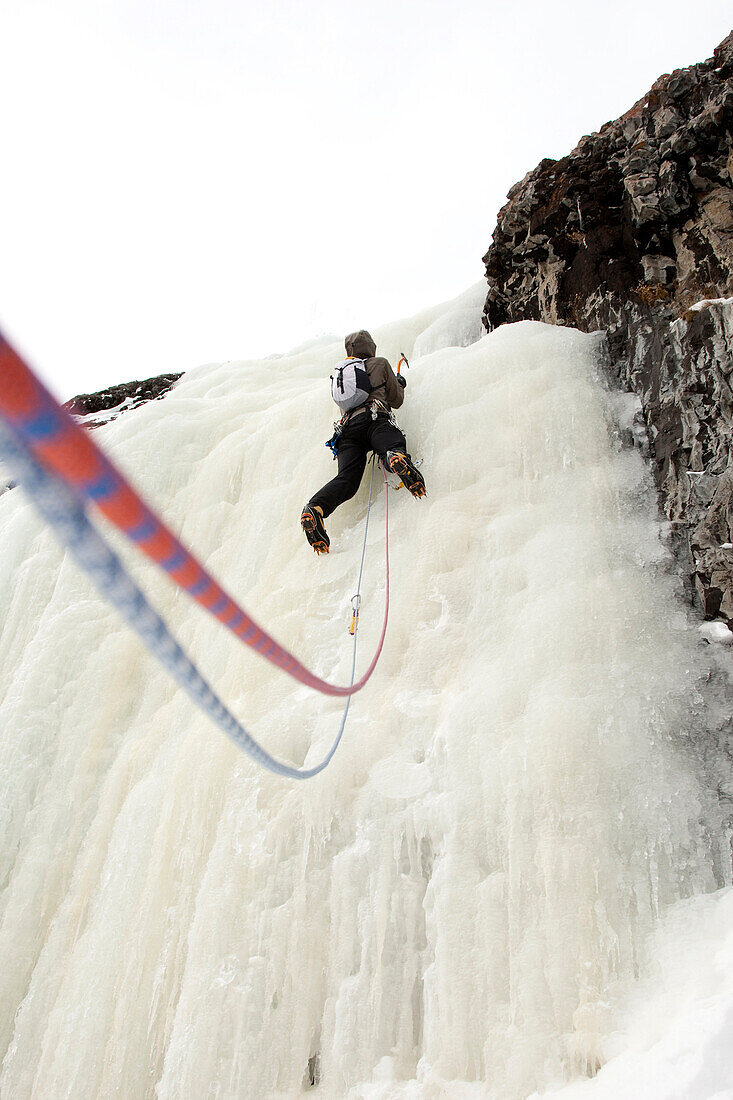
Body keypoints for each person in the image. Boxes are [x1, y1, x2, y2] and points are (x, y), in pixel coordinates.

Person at [301, 330, 426, 554]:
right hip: (375, 418)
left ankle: (316, 508)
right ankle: (394, 457)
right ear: (371, 346)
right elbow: (396, 400)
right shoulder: (379, 363)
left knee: (347, 480)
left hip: (347, 431)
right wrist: (399, 383)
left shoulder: (342, 375)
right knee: (390, 443)